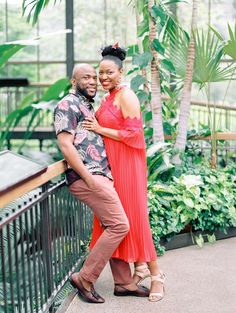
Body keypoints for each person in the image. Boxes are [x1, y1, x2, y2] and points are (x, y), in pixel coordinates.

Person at [54, 63, 149, 304]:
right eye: (86, 77)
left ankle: (123, 282)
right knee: (119, 224)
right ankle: (85, 278)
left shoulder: (87, 106)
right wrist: (88, 177)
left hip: (101, 175)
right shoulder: (67, 104)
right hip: (89, 177)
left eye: (94, 78)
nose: (93, 81)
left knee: (112, 223)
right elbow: (65, 145)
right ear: (74, 81)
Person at [82, 45, 166, 302]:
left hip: (128, 166)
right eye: (100, 74)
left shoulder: (127, 96)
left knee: (137, 220)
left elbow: (135, 135)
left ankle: (157, 276)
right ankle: (137, 269)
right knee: (119, 221)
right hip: (112, 168)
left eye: (109, 72)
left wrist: (99, 129)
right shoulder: (109, 97)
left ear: (121, 72)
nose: (104, 77)